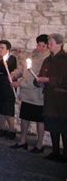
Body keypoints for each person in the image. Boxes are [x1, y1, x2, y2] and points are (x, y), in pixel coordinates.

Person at [9, 34, 49, 152]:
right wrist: (14, 74)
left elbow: (36, 78)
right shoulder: (32, 55)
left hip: (38, 95)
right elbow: (24, 68)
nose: (40, 48)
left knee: (39, 120)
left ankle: (39, 144)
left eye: (43, 45)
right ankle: (23, 141)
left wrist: (20, 84)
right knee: (24, 118)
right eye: (38, 45)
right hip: (27, 95)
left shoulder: (47, 59)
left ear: (47, 46)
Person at [36, 33, 67, 162]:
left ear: (59, 44)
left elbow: (63, 80)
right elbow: (41, 74)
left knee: (64, 127)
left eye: (51, 43)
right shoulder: (47, 60)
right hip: (50, 98)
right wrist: (38, 81)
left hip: (62, 100)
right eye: (48, 43)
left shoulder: (65, 60)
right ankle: (55, 152)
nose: (49, 46)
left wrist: (48, 79)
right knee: (53, 126)